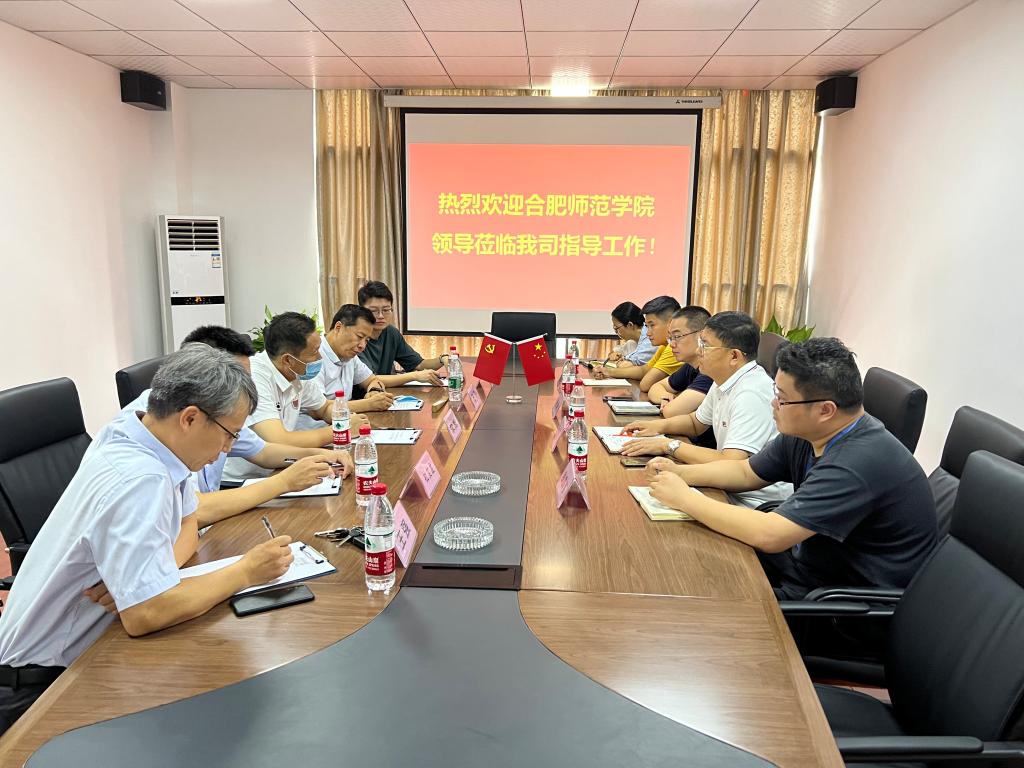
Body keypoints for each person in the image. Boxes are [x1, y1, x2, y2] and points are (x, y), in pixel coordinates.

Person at [0, 345, 296, 734]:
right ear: (190, 418)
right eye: (229, 435)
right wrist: (246, 571)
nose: (227, 449)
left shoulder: (148, 434)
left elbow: (189, 523)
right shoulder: (141, 478)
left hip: (91, 648)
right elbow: (146, 614)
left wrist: (146, 578)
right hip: (42, 686)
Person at [646, 337, 938, 599]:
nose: (773, 403)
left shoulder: (858, 462)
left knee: (698, 595)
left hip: (838, 602)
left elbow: (771, 535)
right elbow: (746, 472)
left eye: (783, 399)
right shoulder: (811, 433)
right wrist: (679, 473)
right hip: (808, 563)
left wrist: (686, 498)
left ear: (825, 409)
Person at [115, 325, 350, 527]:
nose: (246, 389)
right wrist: (284, 482)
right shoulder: (153, 433)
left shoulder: (212, 410)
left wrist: (322, 456)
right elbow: (194, 511)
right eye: (236, 379)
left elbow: (262, 451)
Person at [621, 311, 791, 509]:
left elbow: (730, 462)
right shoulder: (724, 379)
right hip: (723, 487)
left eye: (705, 345)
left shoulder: (751, 392)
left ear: (734, 356)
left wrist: (669, 445)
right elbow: (695, 423)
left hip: (753, 503)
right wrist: (657, 427)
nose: (698, 350)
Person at [222, 311, 370, 482]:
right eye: (315, 352)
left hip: (280, 469)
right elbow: (278, 440)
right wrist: (340, 431)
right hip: (242, 482)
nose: (320, 357)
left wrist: (345, 419)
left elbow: (323, 408)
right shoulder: (254, 376)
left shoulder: (296, 372)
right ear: (288, 360)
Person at [357, 281, 447, 387]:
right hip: (361, 395)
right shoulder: (356, 337)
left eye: (386, 310)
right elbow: (369, 379)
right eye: (374, 311)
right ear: (362, 311)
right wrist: (414, 376)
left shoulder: (391, 332)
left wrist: (443, 359)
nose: (381, 316)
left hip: (385, 393)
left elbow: (418, 364)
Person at [591, 296, 682, 392]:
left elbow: (645, 384)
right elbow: (643, 370)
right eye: (647, 326)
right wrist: (608, 371)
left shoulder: (674, 348)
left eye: (652, 325)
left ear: (671, 323)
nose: (648, 333)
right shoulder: (664, 347)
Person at [645, 306, 713, 413]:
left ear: (702, 336)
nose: (671, 344)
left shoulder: (711, 370)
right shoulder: (690, 366)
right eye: (670, 338)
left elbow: (672, 411)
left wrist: (672, 403)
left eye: (677, 336)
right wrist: (665, 397)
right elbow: (655, 387)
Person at [606, 302, 655, 366]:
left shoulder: (650, 340)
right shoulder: (632, 341)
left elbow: (625, 365)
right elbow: (615, 351)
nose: (616, 332)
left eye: (617, 328)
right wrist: (613, 354)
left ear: (630, 325)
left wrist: (622, 362)